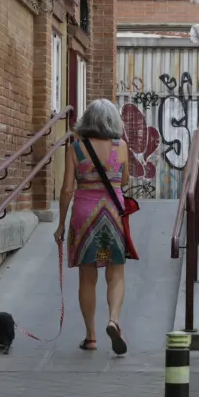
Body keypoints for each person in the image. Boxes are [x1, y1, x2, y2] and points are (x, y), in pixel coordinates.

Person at [54, 99, 131, 355]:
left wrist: (60, 225)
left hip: (84, 214)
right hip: (113, 214)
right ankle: (114, 320)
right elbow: (124, 181)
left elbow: (67, 190)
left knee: (87, 277)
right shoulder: (121, 147)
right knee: (115, 272)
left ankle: (91, 337)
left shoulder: (75, 148)